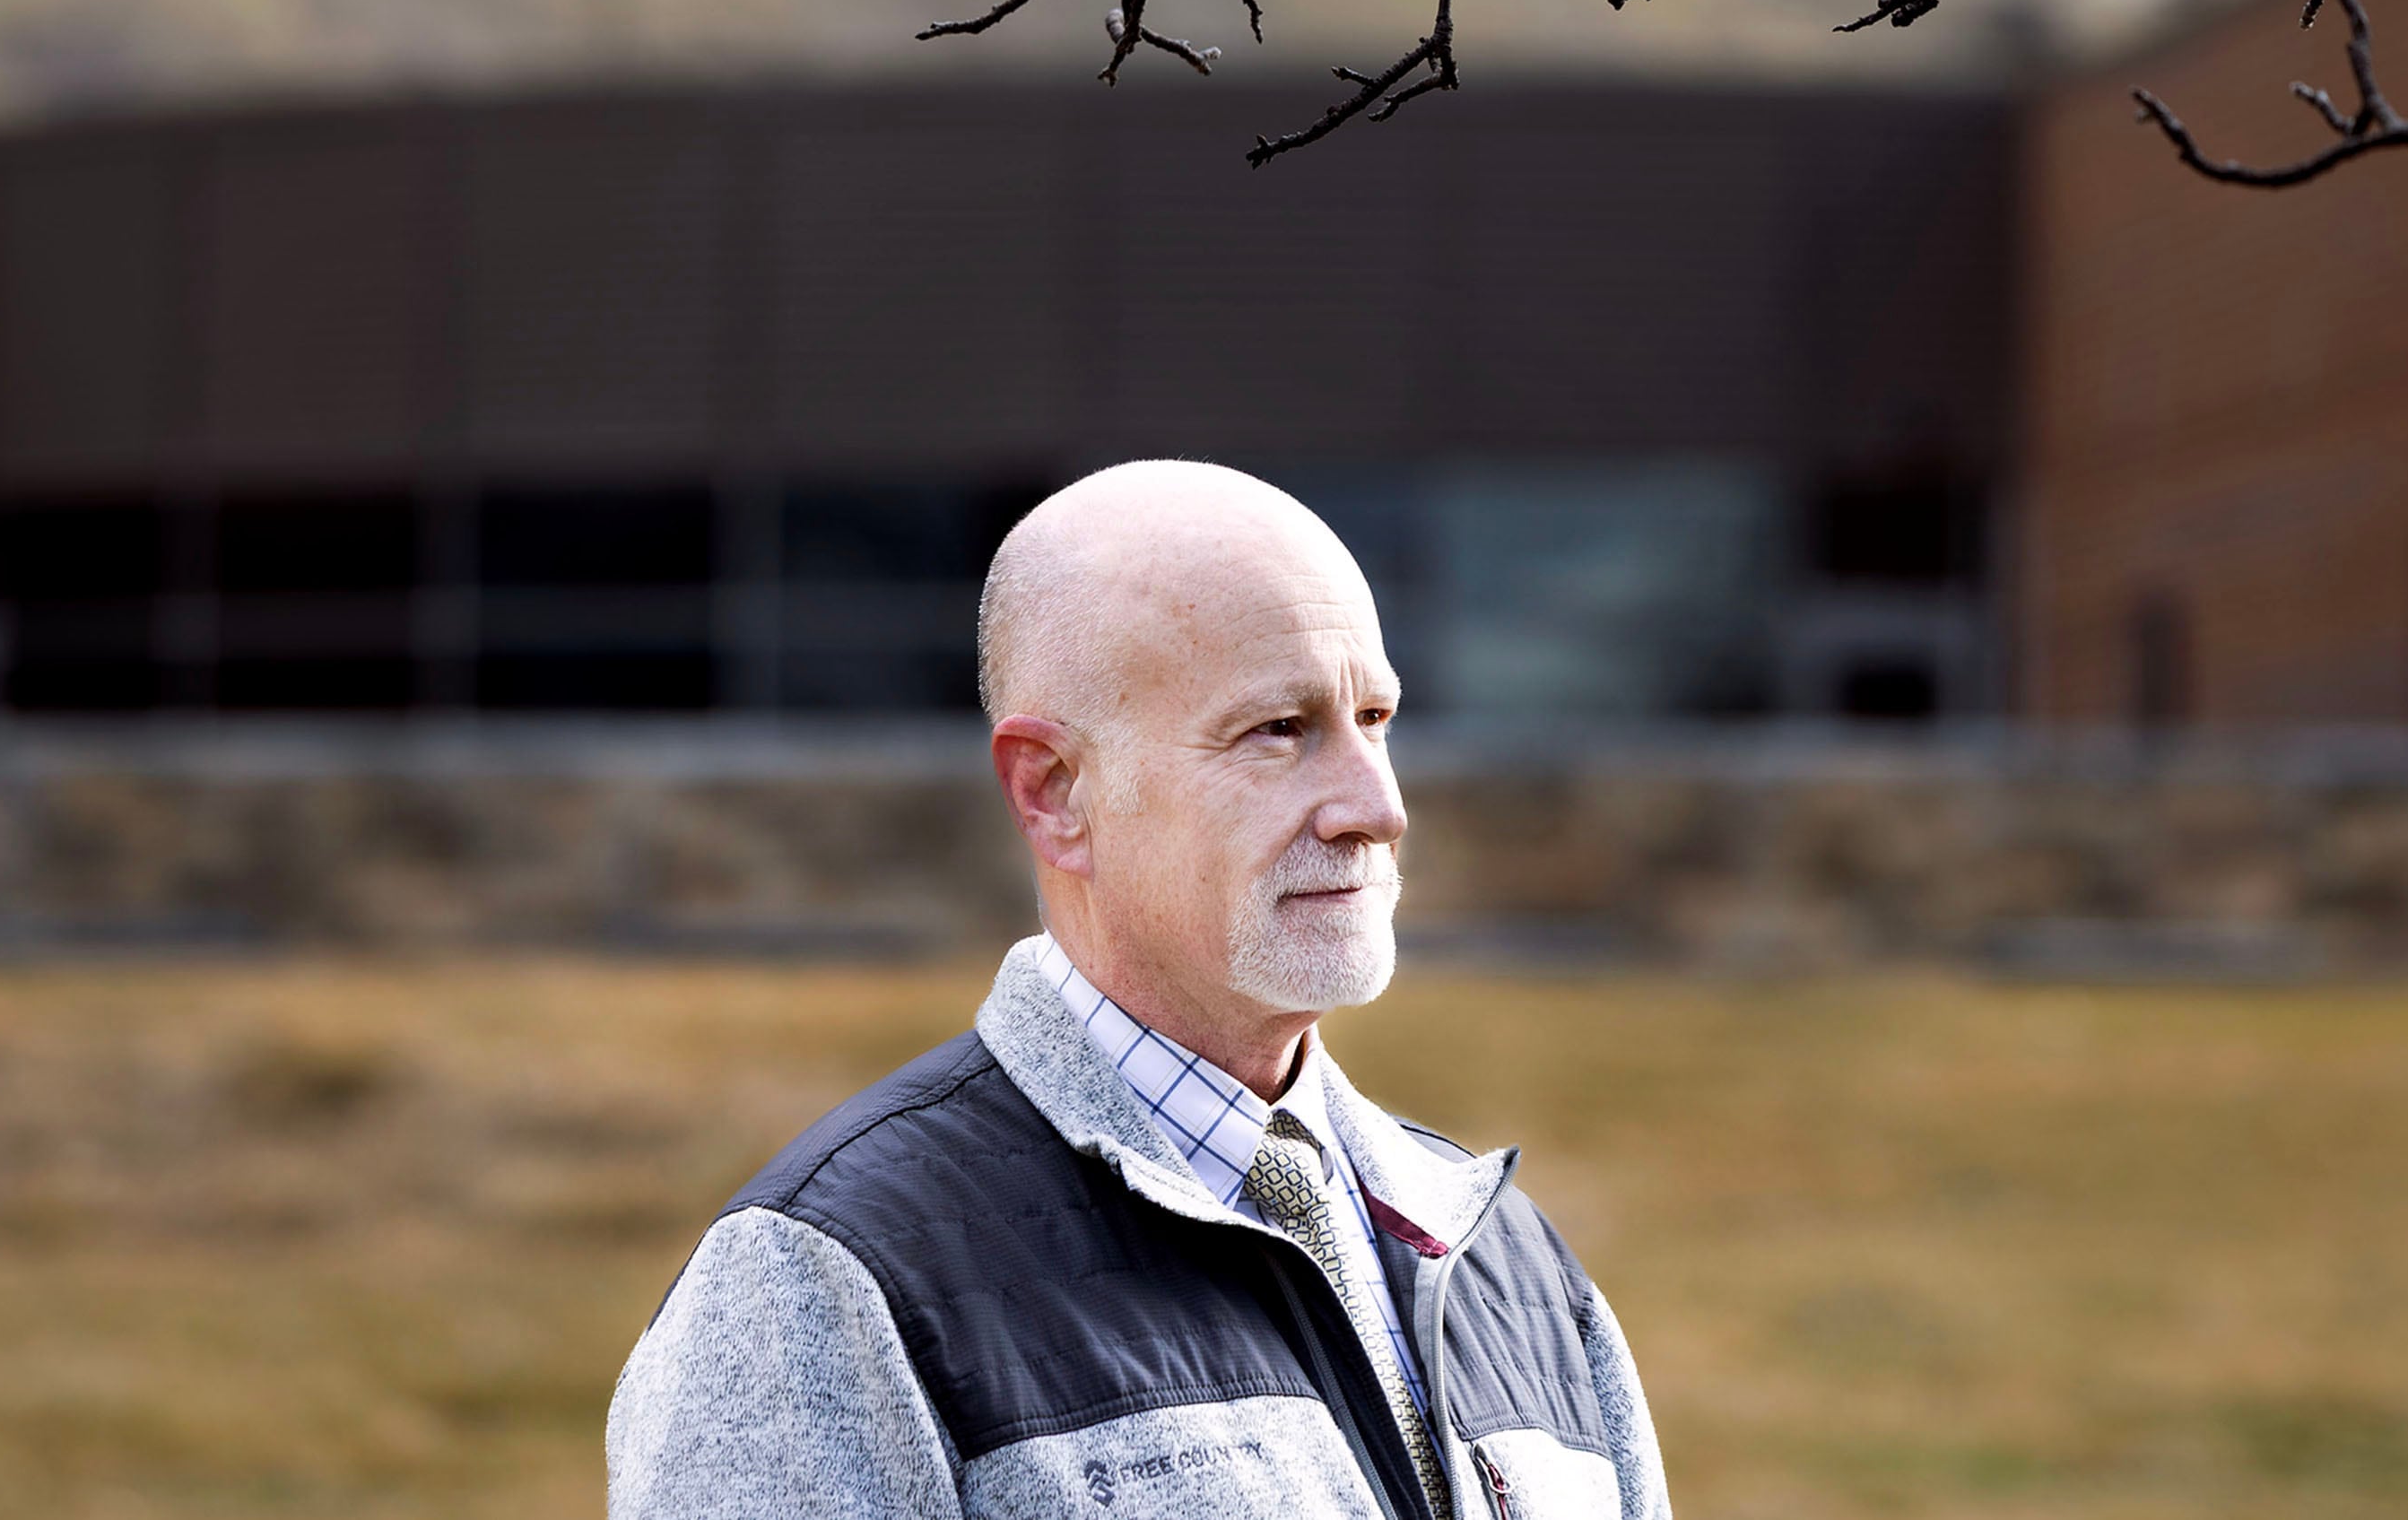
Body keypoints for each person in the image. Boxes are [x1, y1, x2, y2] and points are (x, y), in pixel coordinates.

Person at [608, 460, 1671, 1519]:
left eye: (1376, 717)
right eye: (1280, 730)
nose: (1375, 806)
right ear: (1054, 790)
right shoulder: (823, 1285)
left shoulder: (1516, 1268)